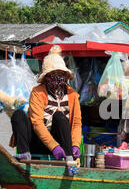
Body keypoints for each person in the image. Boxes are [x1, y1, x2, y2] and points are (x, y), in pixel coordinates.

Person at [10, 47, 82, 175]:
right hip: (39, 141)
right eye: (53, 74)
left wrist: (75, 145)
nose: (57, 77)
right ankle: (24, 155)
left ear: (65, 76)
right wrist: (53, 146)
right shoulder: (37, 92)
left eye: (60, 74)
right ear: (47, 76)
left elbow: (76, 123)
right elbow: (37, 123)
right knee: (18, 114)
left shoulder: (72, 94)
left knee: (60, 116)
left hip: (62, 145)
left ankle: (70, 161)